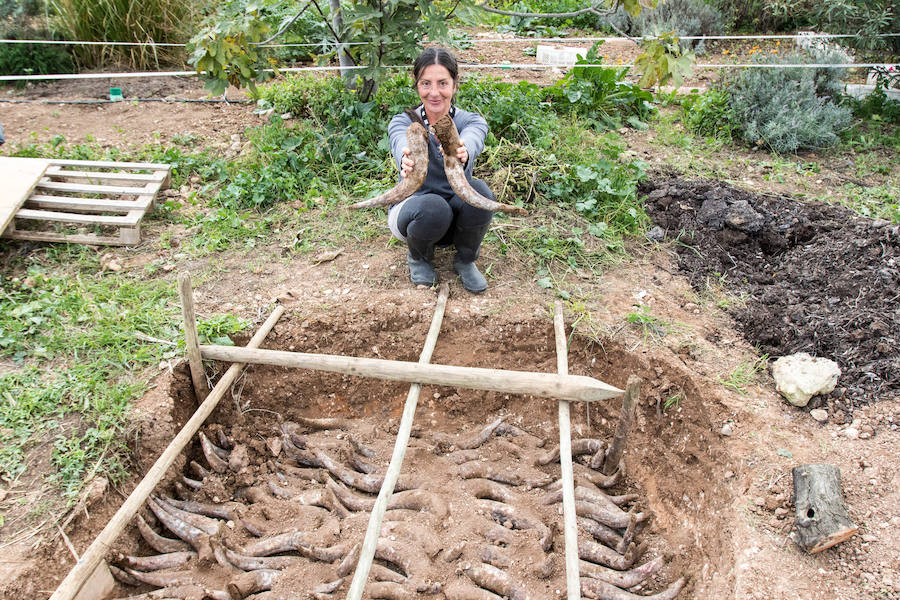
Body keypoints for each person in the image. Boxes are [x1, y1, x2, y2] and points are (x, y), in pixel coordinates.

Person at [387, 47, 495, 293]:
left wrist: (463, 149)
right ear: (416, 85)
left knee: (480, 192)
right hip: (417, 215)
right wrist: (406, 156)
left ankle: (465, 259)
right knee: (434, 206)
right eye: (426, 83)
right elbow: (399, 140)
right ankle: (419, 257)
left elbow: (475, 136)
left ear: (455, 84)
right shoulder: (404, 121)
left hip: (455, 219)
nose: (434, 93)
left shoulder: (470, 121)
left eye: (442, 83)